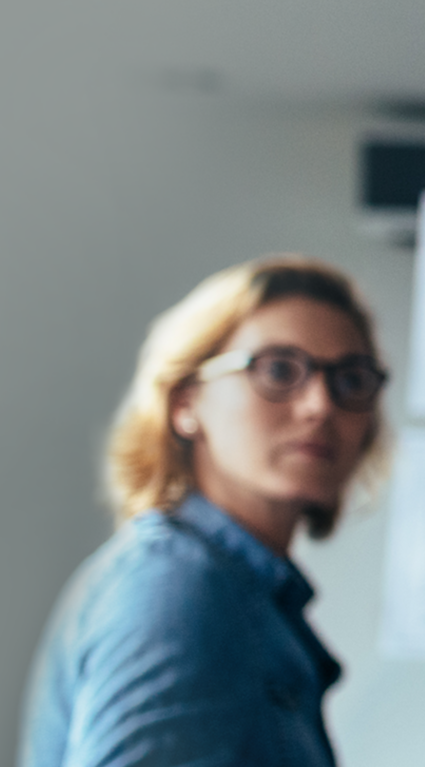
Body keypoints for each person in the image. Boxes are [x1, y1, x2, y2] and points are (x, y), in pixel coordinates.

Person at [23, 255, 391, 767]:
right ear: (185, 403)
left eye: (350, 380)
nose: (320, 406)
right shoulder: (177, 587)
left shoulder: (244, 595)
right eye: (279, 370)